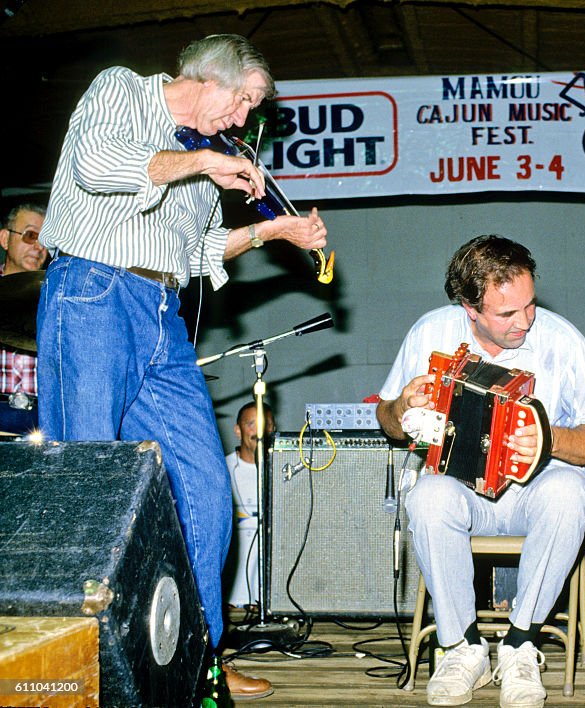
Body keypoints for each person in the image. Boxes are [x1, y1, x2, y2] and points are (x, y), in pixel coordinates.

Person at [36, 34, 329, 701]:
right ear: (210, 79)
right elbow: (96, 164)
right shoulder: (123, 88)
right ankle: (78, 667)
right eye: (243, 102)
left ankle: (195, 657)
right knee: (88, 480)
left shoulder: (205, 163)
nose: (243, 121)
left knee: (204, 486)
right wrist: (201, 161)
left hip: (162, 315)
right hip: (93, 294)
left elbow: (196, 249)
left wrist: (271, 232)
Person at [376, 235, 585, 708]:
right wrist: (402, 407)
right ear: (470, 308)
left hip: (535, 495)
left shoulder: (561, 338)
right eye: (507, 313)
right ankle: (462, 648)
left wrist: (550, 438)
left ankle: (521, 645)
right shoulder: (430, 332)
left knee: (570, 493)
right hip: (463, 494)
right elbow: (387, 421)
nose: (524, 320)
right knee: (426, 496)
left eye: (529, 304)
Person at [0, 203, 47, 435]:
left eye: (46, 240)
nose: (39, 247)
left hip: (43, 422)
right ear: (4, 238)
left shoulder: (57, 300)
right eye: (30, 235)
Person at [224, 401, 276, 609]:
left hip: (267, 601)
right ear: (238, 430)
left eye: (265, 424)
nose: (259, 431)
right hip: (229, 602)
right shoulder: (222, 471)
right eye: (251, 424)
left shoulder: (282, 471)